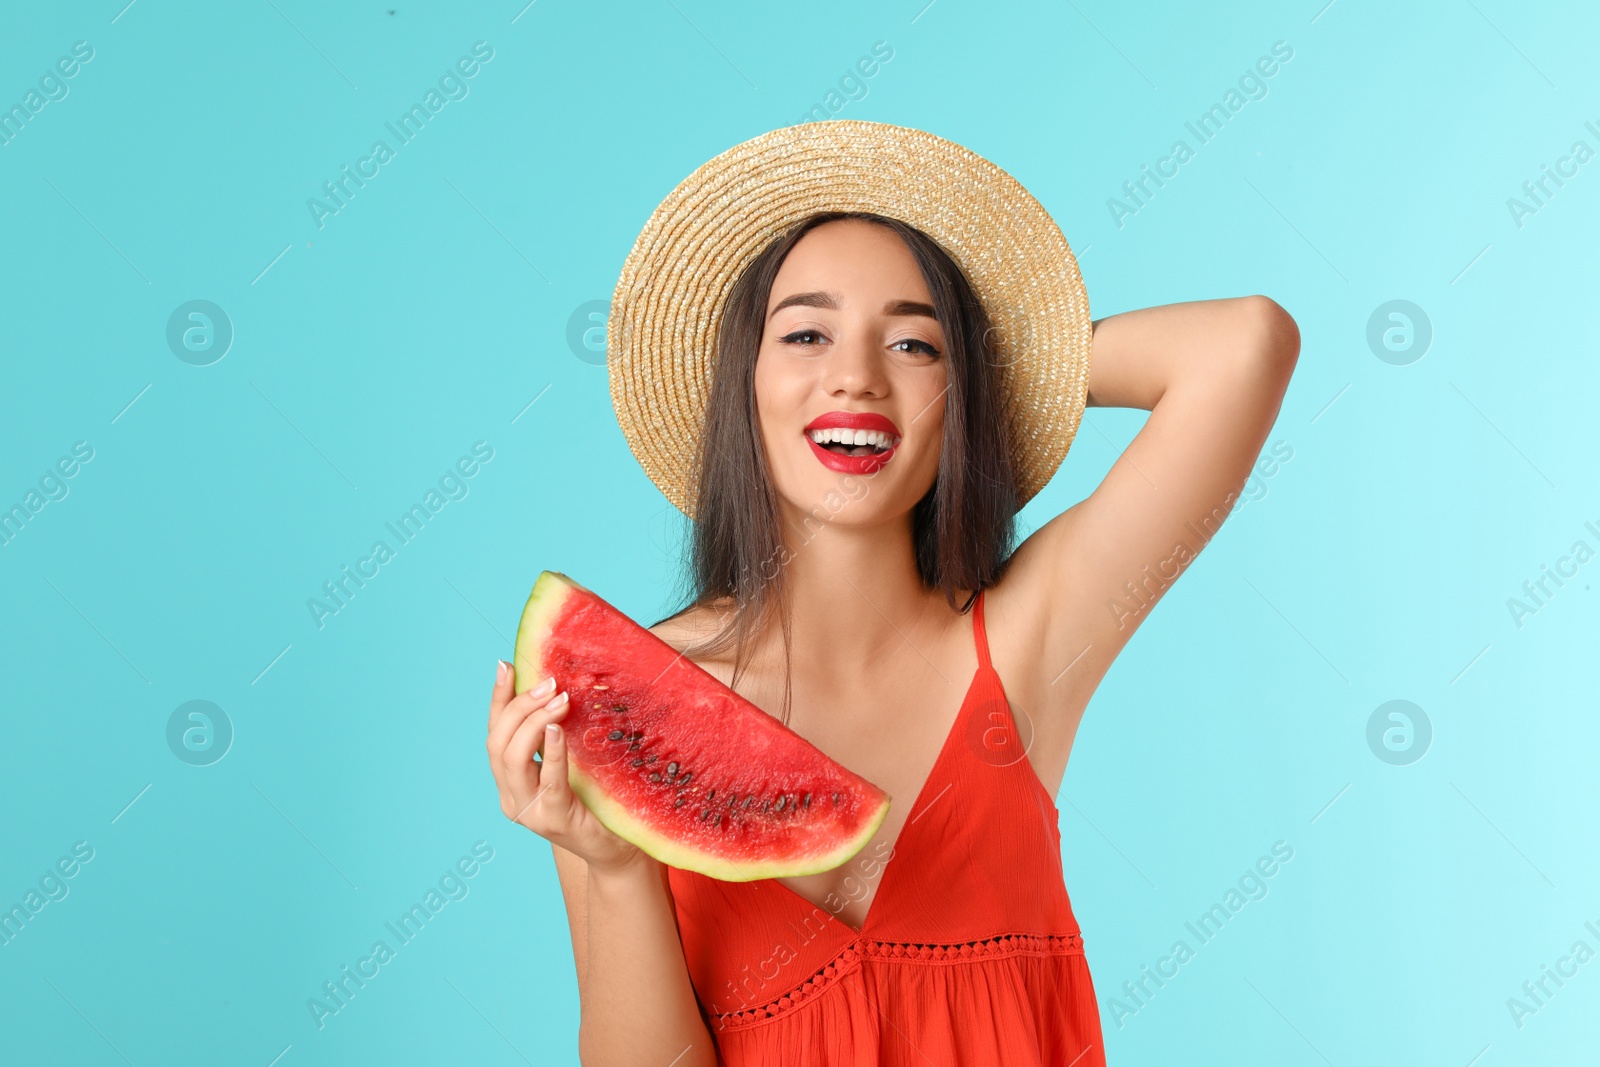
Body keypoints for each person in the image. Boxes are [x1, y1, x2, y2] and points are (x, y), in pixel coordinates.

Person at [485, 121, 1299, 1065]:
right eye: (805, 333)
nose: (856, 377)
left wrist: (992, 377)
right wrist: (615, 863)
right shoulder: (628, 705)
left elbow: (1246, 344)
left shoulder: (1028, 643)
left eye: (913, 345)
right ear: (740, 383)